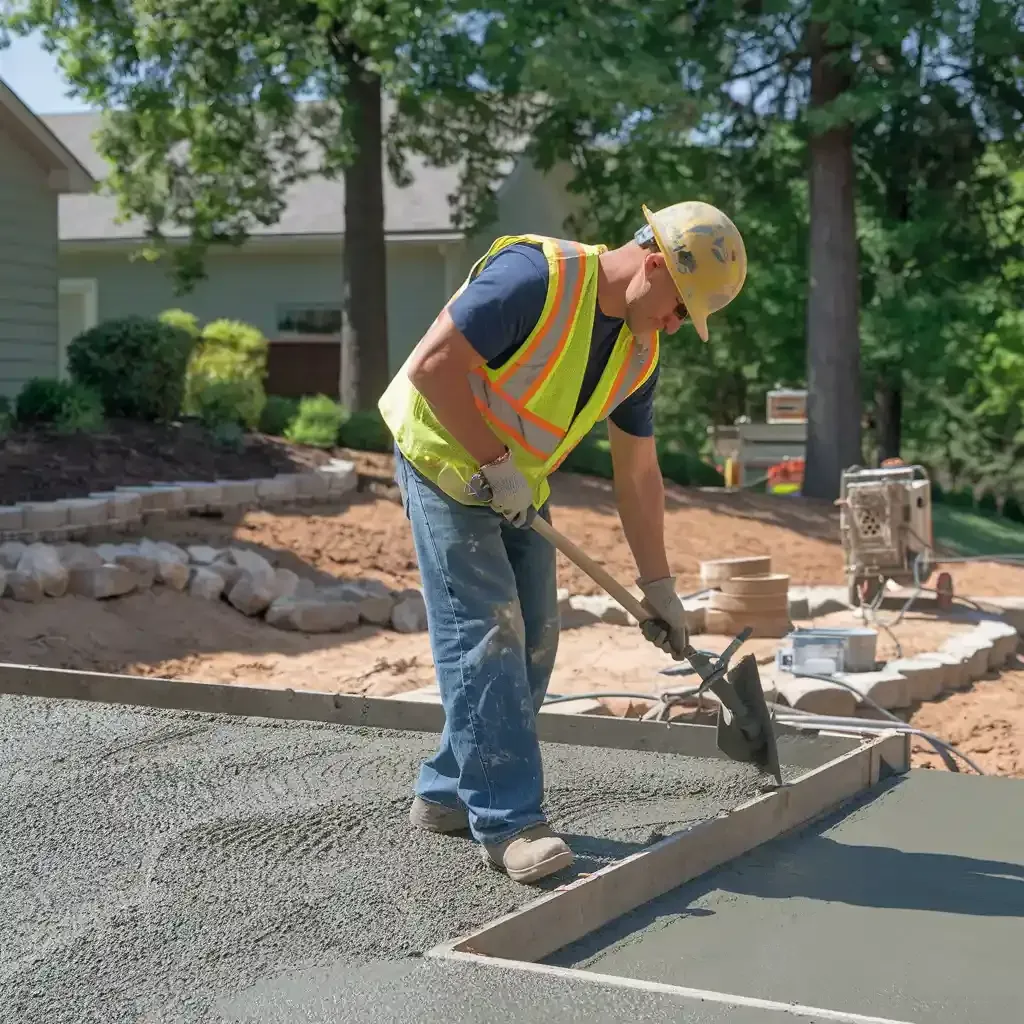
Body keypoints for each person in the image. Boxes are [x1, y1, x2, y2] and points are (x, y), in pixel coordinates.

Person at [378, 200, 747, 884]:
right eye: (677, 308)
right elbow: (433, 366)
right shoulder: (535, 279)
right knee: (489, 634)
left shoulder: (639, 354)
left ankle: (444, 794)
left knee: (539, 638)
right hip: (443, 460)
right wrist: (493, 463)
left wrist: (658, 585)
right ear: (655, 263)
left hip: (517, 481)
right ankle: (510, 821)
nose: (673, 325)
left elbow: (638, 474)